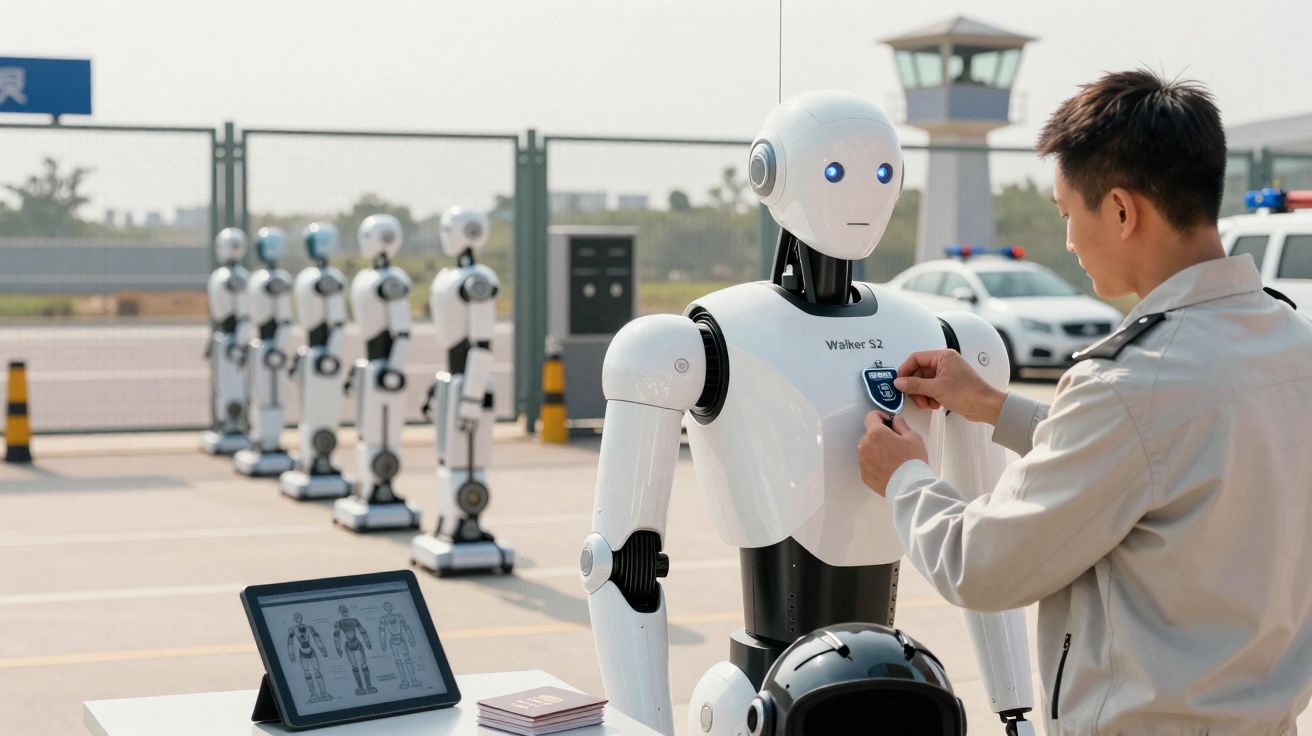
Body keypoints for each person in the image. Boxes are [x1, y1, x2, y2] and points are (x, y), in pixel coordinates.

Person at [857, 68, 1312, 734]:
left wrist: (904, 478)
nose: (1068, 241)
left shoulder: (1131, 383)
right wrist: (996, 407)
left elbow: (981, 565)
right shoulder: (1290, 342)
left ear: (1122, 211)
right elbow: (1162, 459)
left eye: (1068, 213)